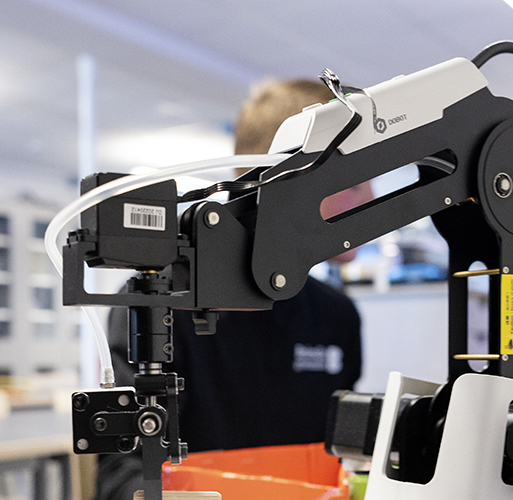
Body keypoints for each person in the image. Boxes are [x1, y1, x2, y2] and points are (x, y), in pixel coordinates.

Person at [95, 79, 367, 500]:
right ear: (288, 177)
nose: (371, 194)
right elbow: (121, 473)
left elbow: (340, 460)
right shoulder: (158, 301)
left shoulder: (337, 315)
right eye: (355, 179)